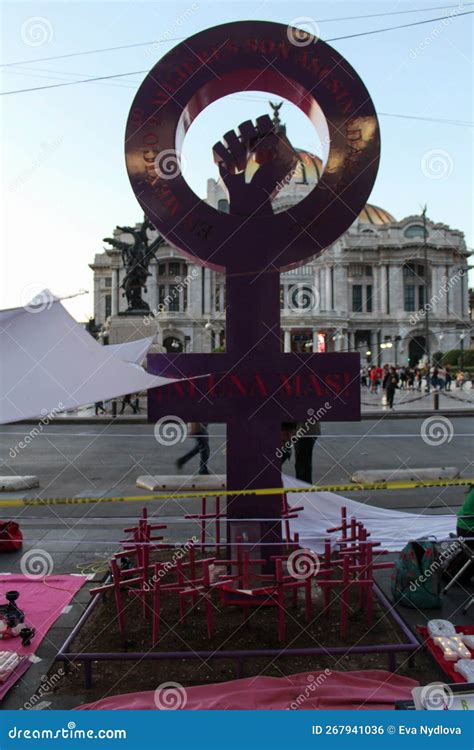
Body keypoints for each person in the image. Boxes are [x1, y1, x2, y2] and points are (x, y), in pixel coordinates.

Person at [294, 419, 321, 484]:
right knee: (302, 463)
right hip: (304, 431)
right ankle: (303, 488)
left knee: (302, 464)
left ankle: (303, 489)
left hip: (304, 432)